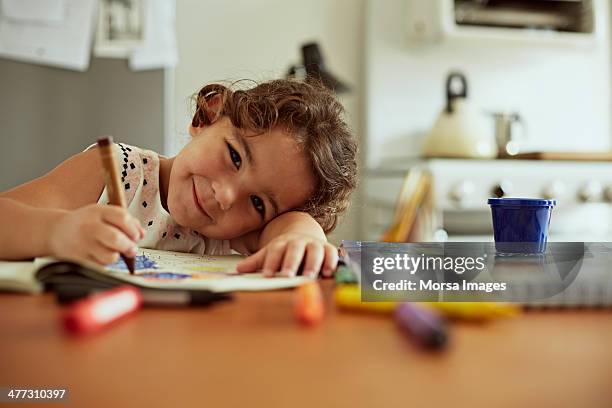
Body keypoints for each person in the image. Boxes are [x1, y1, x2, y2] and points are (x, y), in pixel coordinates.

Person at [0, 79, 358, 278]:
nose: (225, 195)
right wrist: (56, 232)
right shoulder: (116, 171)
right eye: (234, 156)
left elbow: (292, 231)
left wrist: (302, 234)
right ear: (208, 116)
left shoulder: (239, 232)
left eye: (259, 203)